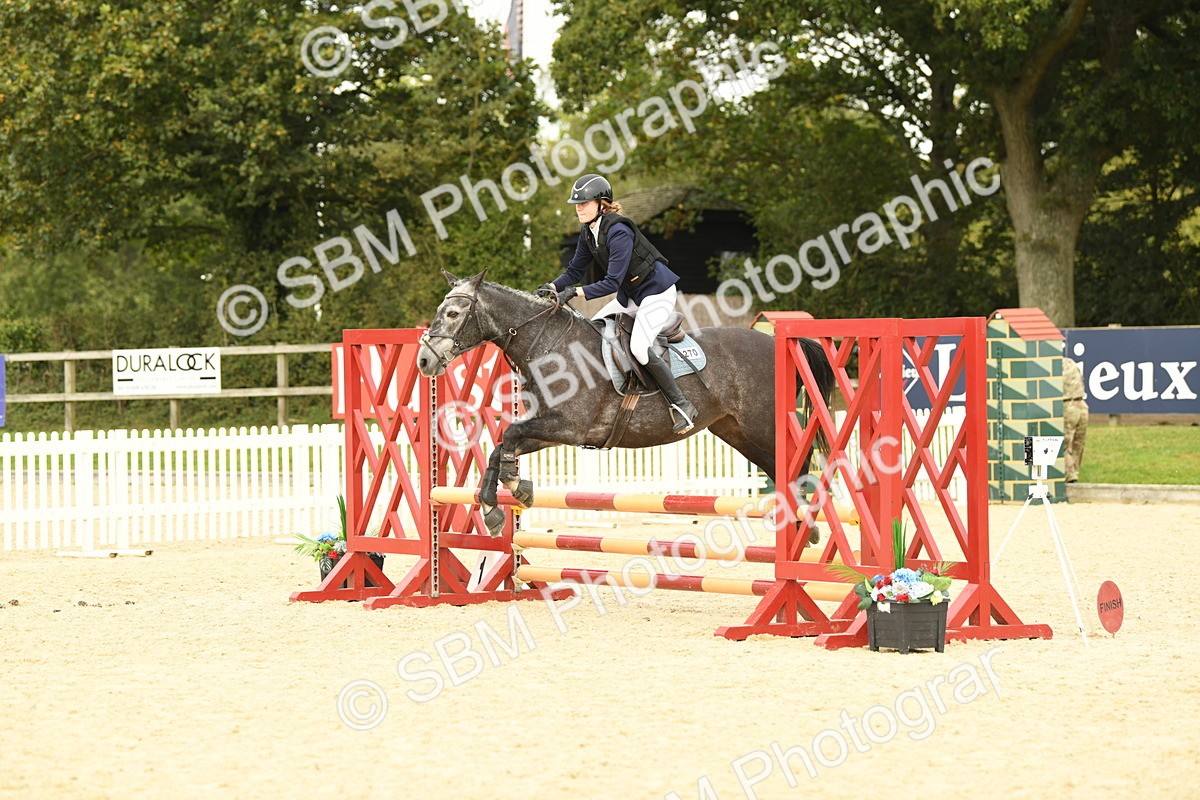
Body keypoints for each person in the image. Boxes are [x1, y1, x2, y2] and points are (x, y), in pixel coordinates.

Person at [537, 173, 697, 434]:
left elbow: (611, 282)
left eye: (584, 203)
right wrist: (553, 287)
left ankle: (682, 404)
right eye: (577, 204)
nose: (579, 208)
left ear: (602, 204)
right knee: (593, 328)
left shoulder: (618, 231)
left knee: (640, 347)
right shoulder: (588, 233)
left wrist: (574, 293)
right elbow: (575, 271)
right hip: (632, 296)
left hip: (657, 293)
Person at [1063, 356, 1089, 483]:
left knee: (1074, 444)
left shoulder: (1064, 363)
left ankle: (1072, 475)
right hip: (1075, 404)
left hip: (1074, 403)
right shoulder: (1068, 362)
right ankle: (1071, 476)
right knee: (1072, 444)